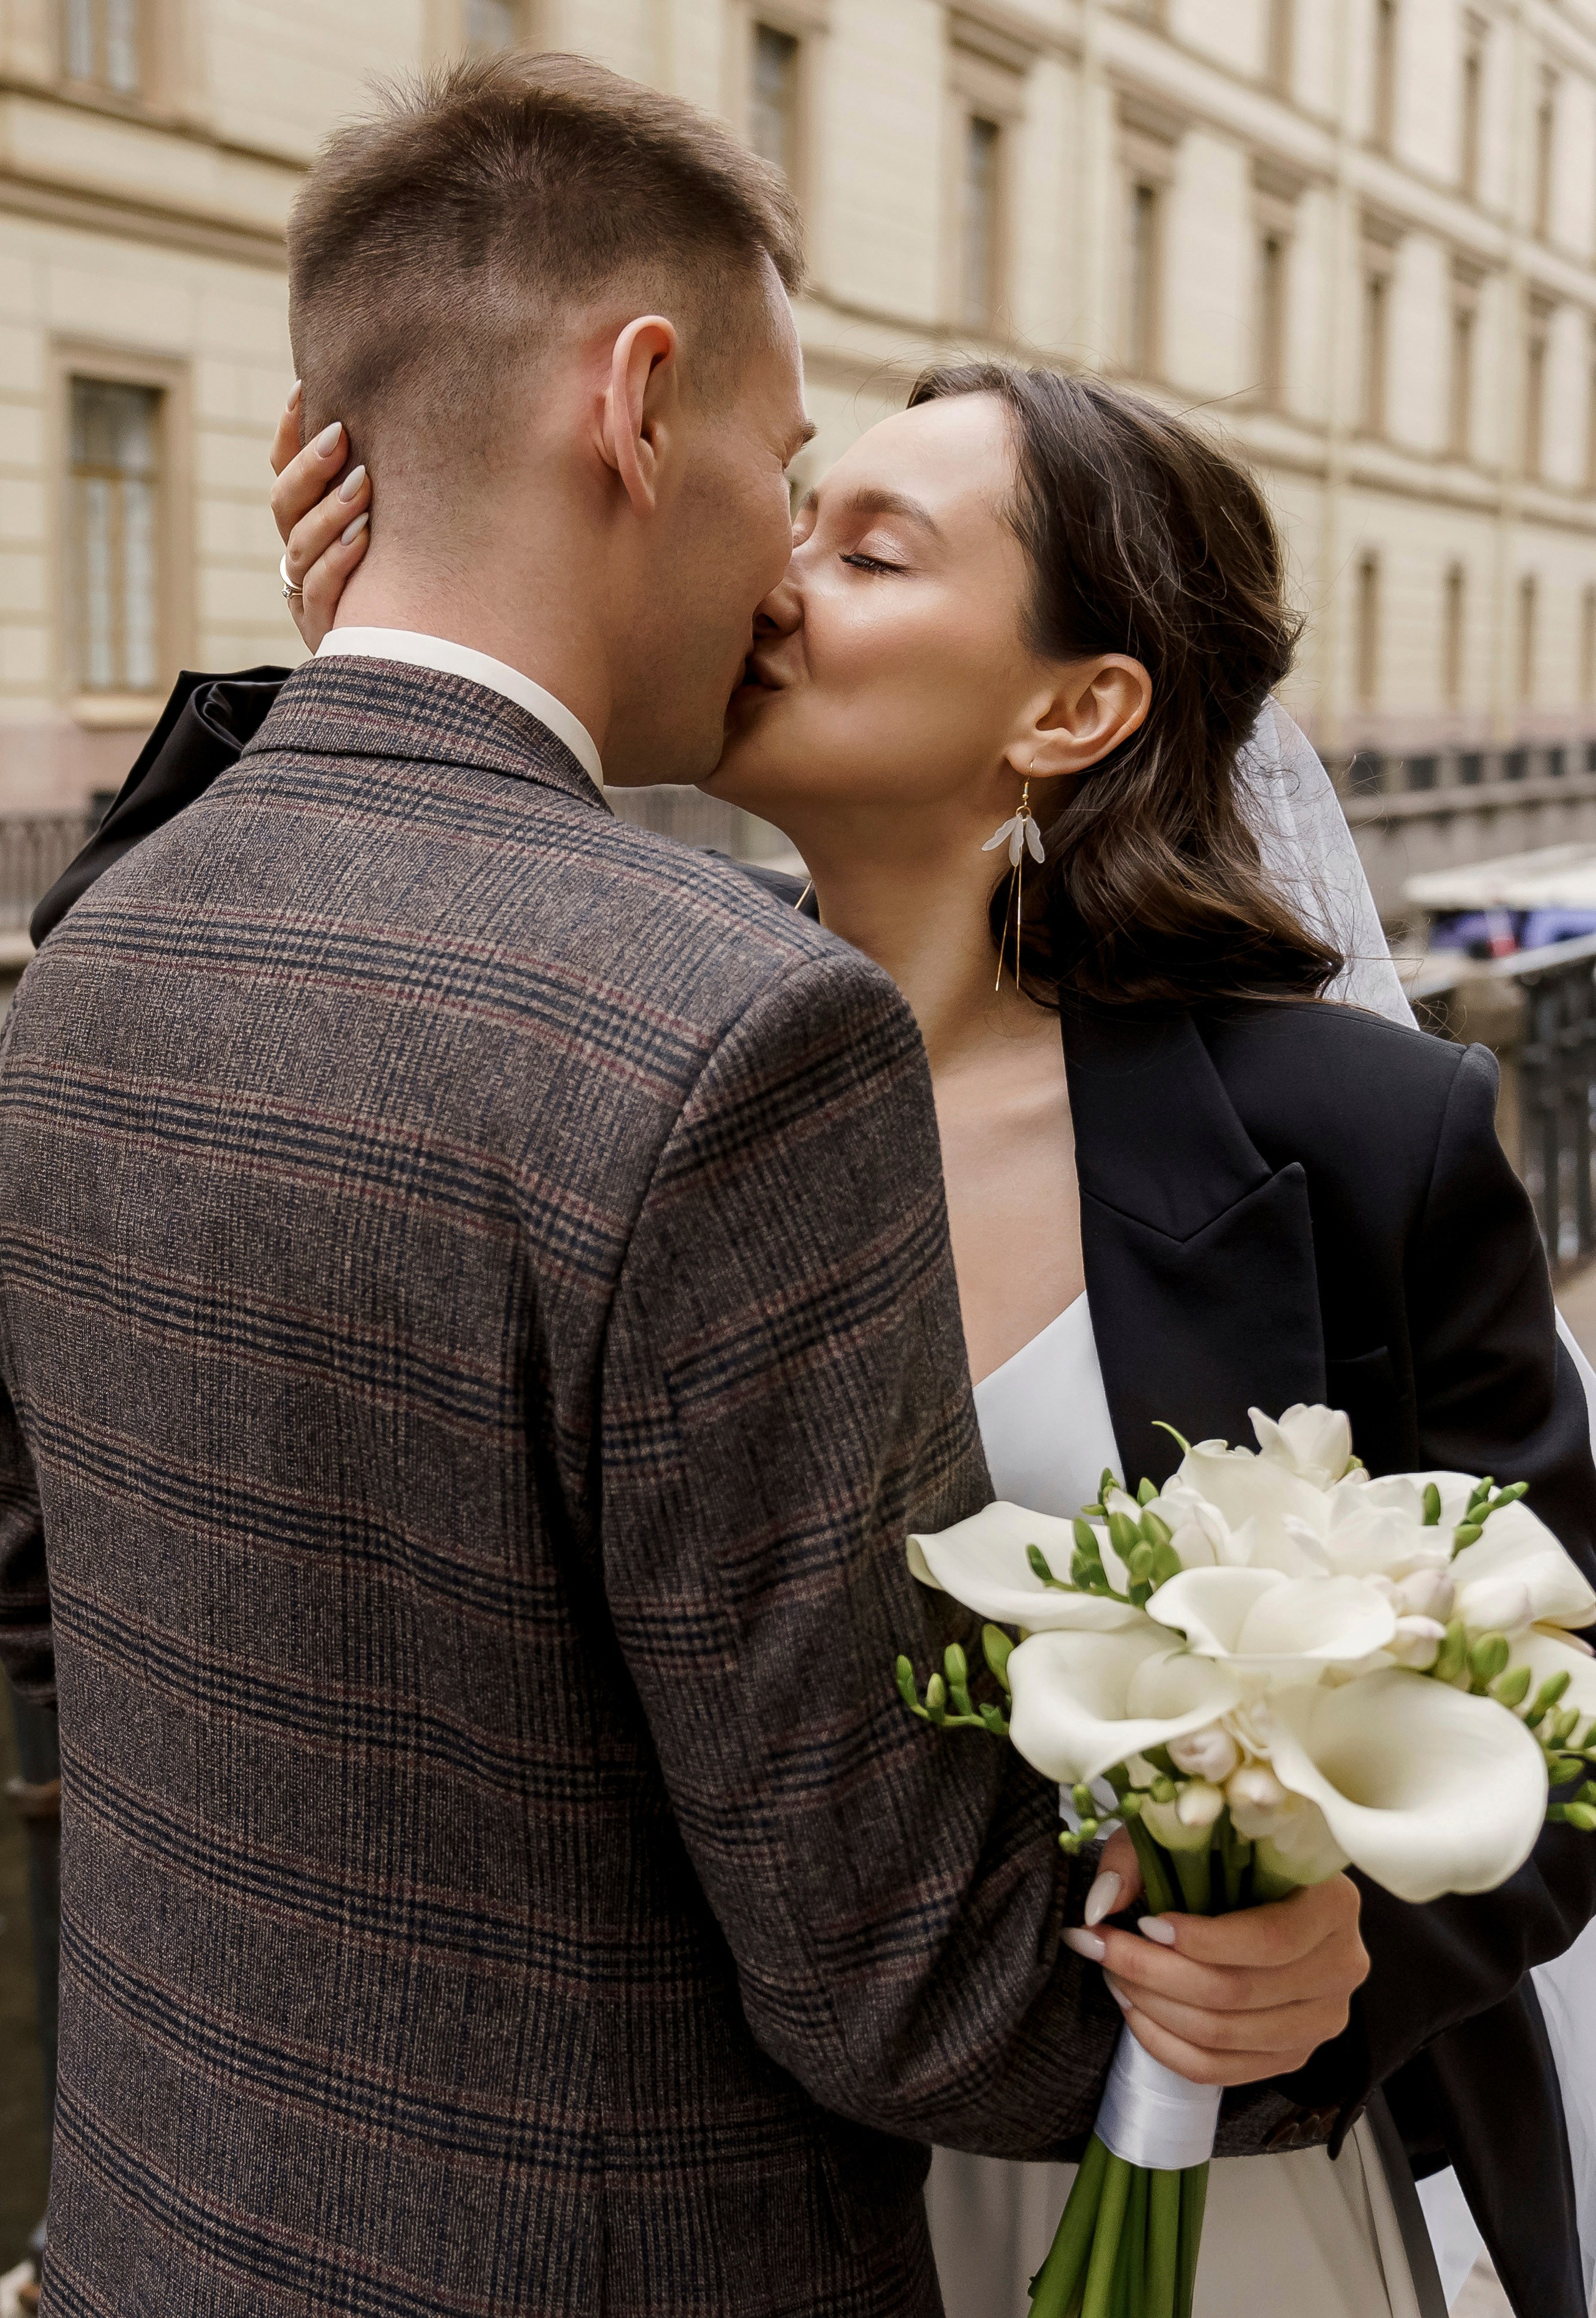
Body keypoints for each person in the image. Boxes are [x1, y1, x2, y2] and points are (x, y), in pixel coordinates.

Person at [0, 56, 1371, 2318]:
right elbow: (899, 1976)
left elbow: (42, 1587)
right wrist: (1277, 1984)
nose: (778, 558)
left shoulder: (102, 944)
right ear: (641, 403)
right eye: (785, 466)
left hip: (165, 2240)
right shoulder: (733, 1025)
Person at [243, 357, 1596, 2318]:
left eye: (870, 552)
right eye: (792, 521)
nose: (774, 582)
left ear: (1075, 707)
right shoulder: (580, 1077)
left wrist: (1348, 1935)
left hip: (1202, 2200)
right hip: (695, 2213)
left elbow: (1563, 1705)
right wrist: (375, 697)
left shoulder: (1359, 1139)